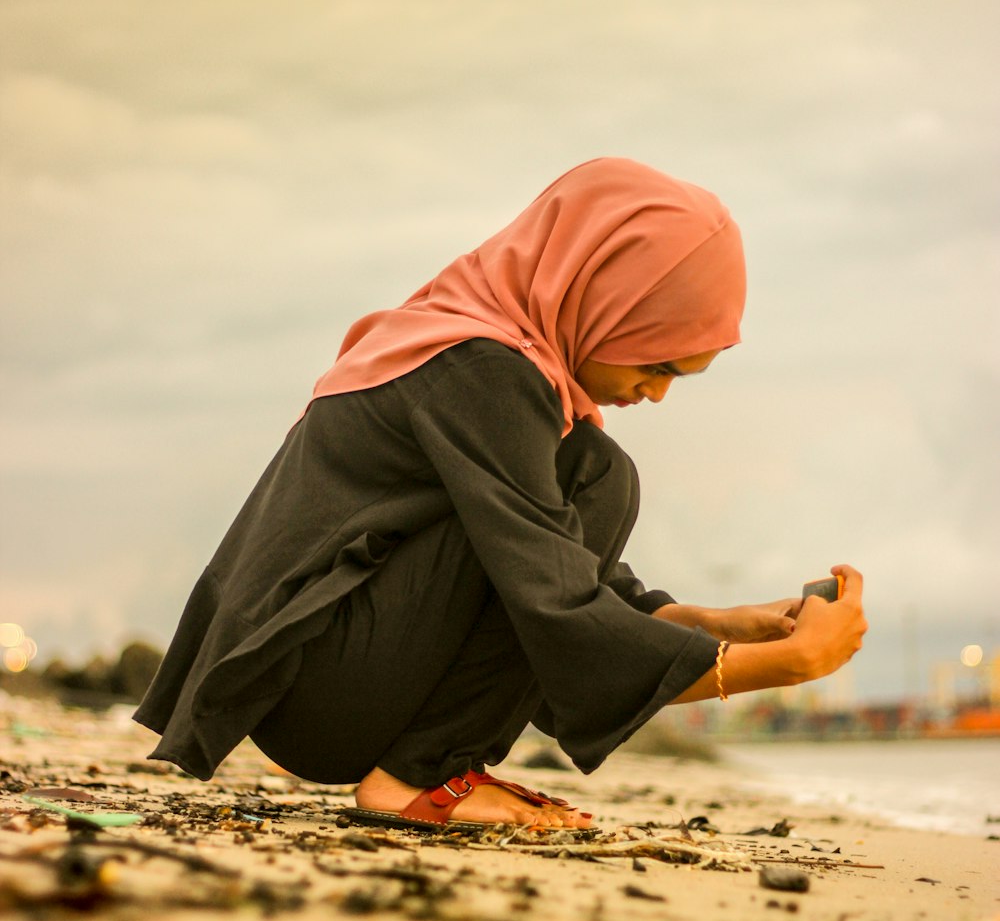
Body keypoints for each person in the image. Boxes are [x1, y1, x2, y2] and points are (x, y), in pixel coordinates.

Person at [135, 157, 867, 831]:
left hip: (324, 681)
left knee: (588, 473)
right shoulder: (480, 369)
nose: (657, 393)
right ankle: (416, 776)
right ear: (601, 300)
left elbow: (561, 561)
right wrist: (785, 667)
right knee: (599, 476)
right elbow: (551, 594)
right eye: (657, 363)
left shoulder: (485, 360)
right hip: (314, 690)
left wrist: (717, 625)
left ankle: (435, 765)